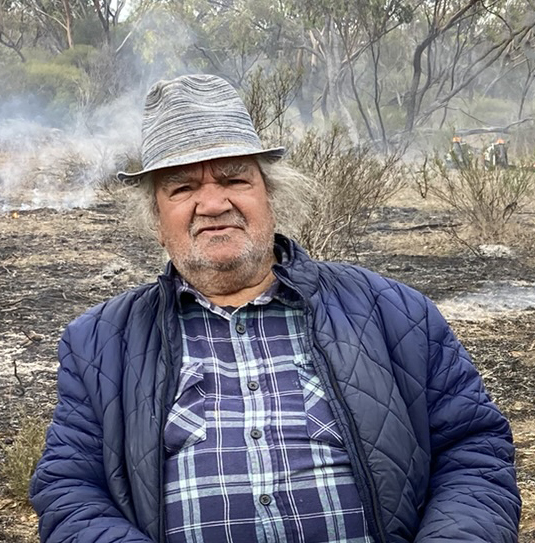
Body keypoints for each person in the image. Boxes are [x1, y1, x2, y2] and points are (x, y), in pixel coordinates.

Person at [30, 74, 521, 543]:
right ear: (156, 219)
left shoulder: (395, 312)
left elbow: (473, 451)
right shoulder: (99, 343)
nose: (213, 203)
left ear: (271, 196)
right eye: (181, 187)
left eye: (234, 179)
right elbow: (71, 491)